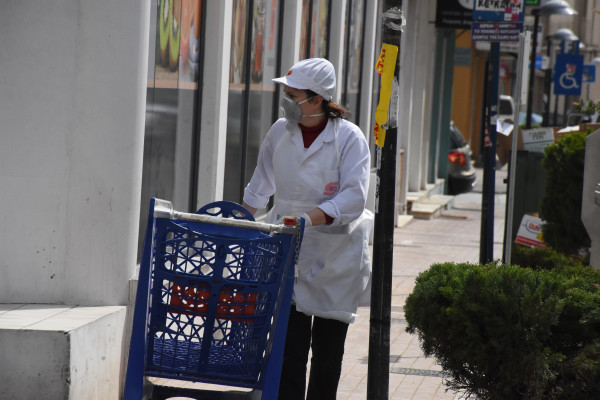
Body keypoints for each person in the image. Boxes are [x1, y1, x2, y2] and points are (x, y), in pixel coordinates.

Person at [241, 58, 373, 400]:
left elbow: (353, 198)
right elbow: (261, 183)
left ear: (316, 100)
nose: (286, 101)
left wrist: (308, 218)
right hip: (288, 254)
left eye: (292, 94)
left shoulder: (350, 138)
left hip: (335, 257)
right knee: (289, 351)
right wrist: (240, 219)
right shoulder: (280, 131)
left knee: (328, 357)